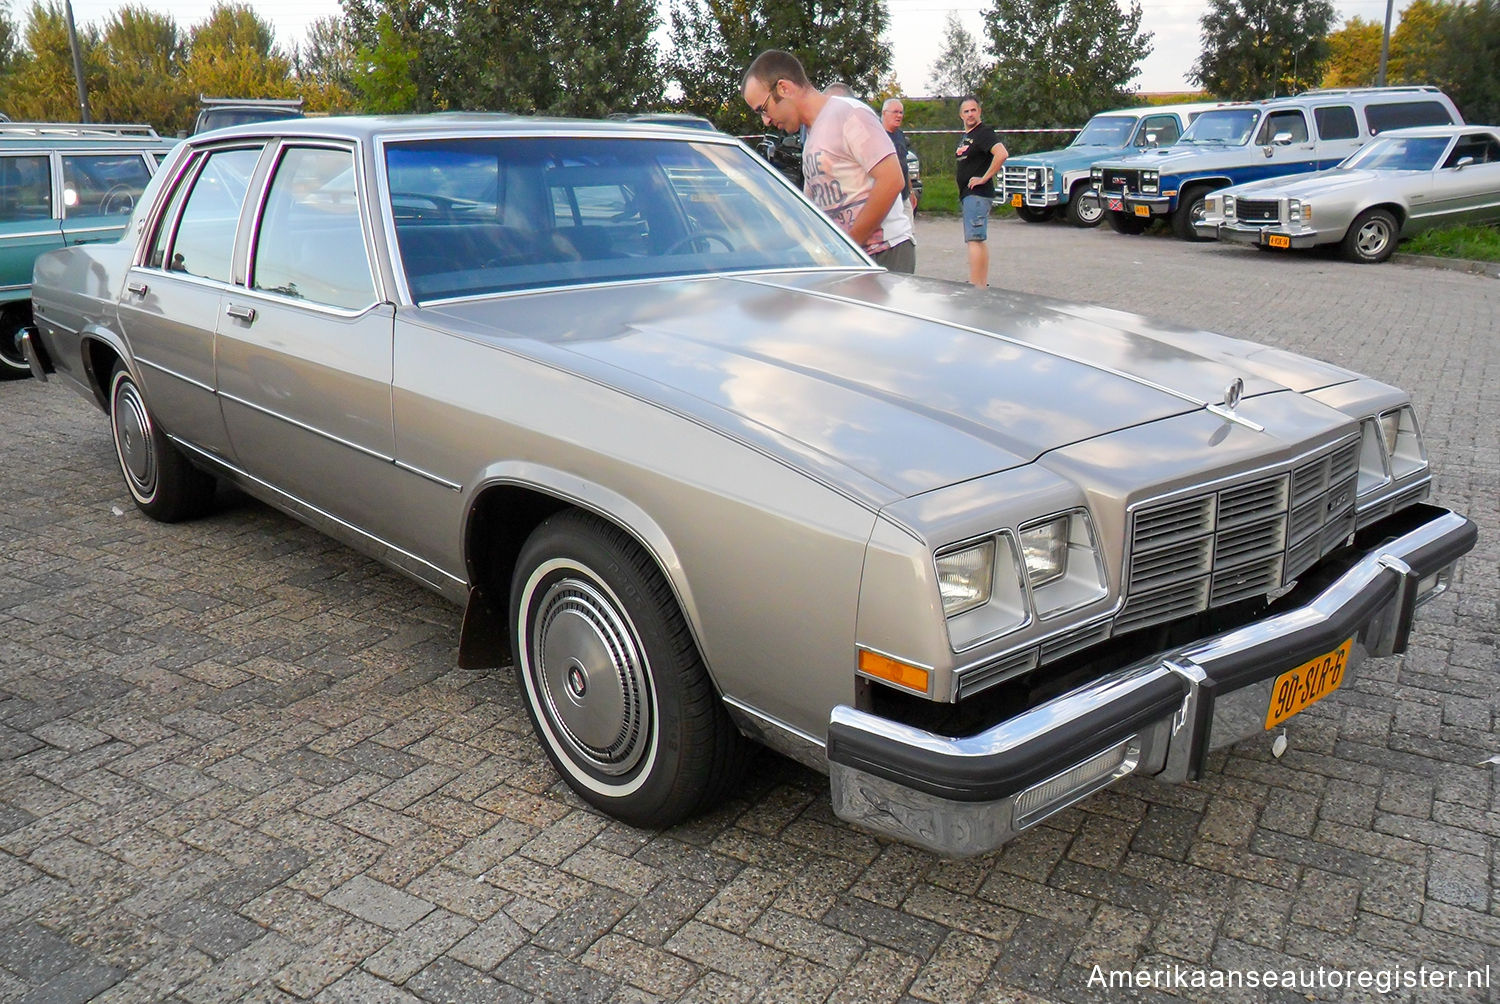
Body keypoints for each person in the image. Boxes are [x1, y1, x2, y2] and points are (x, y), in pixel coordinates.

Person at [742, 50, 915, 274]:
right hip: (853, 258)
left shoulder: (848, 113)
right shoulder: (811, 138)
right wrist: (753, 250)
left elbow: (891, 180)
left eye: (763, 109)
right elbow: (810, 216)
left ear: (784, 88)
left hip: (885, 253)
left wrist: (848, 248)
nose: (765, 121)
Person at [955, 95, 1007, 287]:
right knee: (977, 240)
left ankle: (976, 285)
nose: (970, 114)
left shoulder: (983, 132)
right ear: (961, 115)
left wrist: (984, 177)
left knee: (974, 240)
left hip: (977, 195)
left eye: (973, 110)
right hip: (969, 196)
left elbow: (1001, 154)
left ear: (979, 112)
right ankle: (981, 283)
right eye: (966, 111)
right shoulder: (969, 136)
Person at [881, 97, 917, 218]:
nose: (899, 115)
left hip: (904, 195)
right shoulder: (878, 136)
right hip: (888, 197)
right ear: (884, 113)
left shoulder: (900, 135)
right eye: (895, 112)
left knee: (909, 233)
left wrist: (911, 191)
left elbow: (904, 165)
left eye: (901, 112)